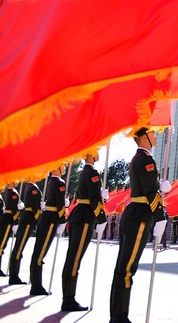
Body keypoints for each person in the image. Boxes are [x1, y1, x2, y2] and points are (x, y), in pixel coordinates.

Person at [110, 127, 170, 323]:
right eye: (152, 133)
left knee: (122, 267)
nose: (155, 135)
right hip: (141, 215)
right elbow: (150, 191)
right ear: (144, 137)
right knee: (127, 269)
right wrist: (160, 216)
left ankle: (117, 314)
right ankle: (119, 317)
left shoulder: (139, 158)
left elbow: (148, 187)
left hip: (135, 212)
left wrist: (159, 188)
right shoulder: (146, 159)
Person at [61, 149, 107, 312]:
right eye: (97, 151)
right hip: (85, 217)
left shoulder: (84, 171)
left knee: (72, 257)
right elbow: (94, 198)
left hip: (79, 215)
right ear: (91, 154)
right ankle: (68, 299)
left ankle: (68, 296)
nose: (99, 154)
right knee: (75, 259)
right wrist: (102, 218)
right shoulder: (92, 172)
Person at [30, 164, 68, 296]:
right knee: (40, 254)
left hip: (46, 217)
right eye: (63, 166)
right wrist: (62, 220)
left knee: (38, 252)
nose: (64, 168)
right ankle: (36, 287)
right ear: (57, 168)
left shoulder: (51, 181)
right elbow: (59, 204)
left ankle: (36, 284)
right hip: (51, 219)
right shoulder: (59, 182)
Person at [9, 177, 41, 285]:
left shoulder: (28, 187)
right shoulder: (33, 188)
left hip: (25, 217)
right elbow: (35, 207)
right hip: (28, 219)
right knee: (19, 247)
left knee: (18, 246)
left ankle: (13, 274)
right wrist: (38, 219)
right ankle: (14, 276)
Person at [0, 183, 20, 277]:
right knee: (1, 245)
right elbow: (14, 208)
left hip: (4, 219)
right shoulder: (12, 192)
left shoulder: (8, 192)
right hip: (8, 220)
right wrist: (16, 221)